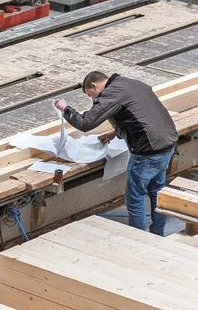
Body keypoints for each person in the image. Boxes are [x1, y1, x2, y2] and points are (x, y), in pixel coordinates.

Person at [55, 71, 178, 235]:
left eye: (91, 95)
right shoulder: (130, 83)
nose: (93, 100)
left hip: (147, 152)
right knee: (157, 192)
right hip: (167, 144)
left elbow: (85, 123)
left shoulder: (112, 93)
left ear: (94, 85)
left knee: (135, 199)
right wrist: (114, 134)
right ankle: (157, 233)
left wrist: (66, 109)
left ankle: (138, 239)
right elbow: (138, 114)